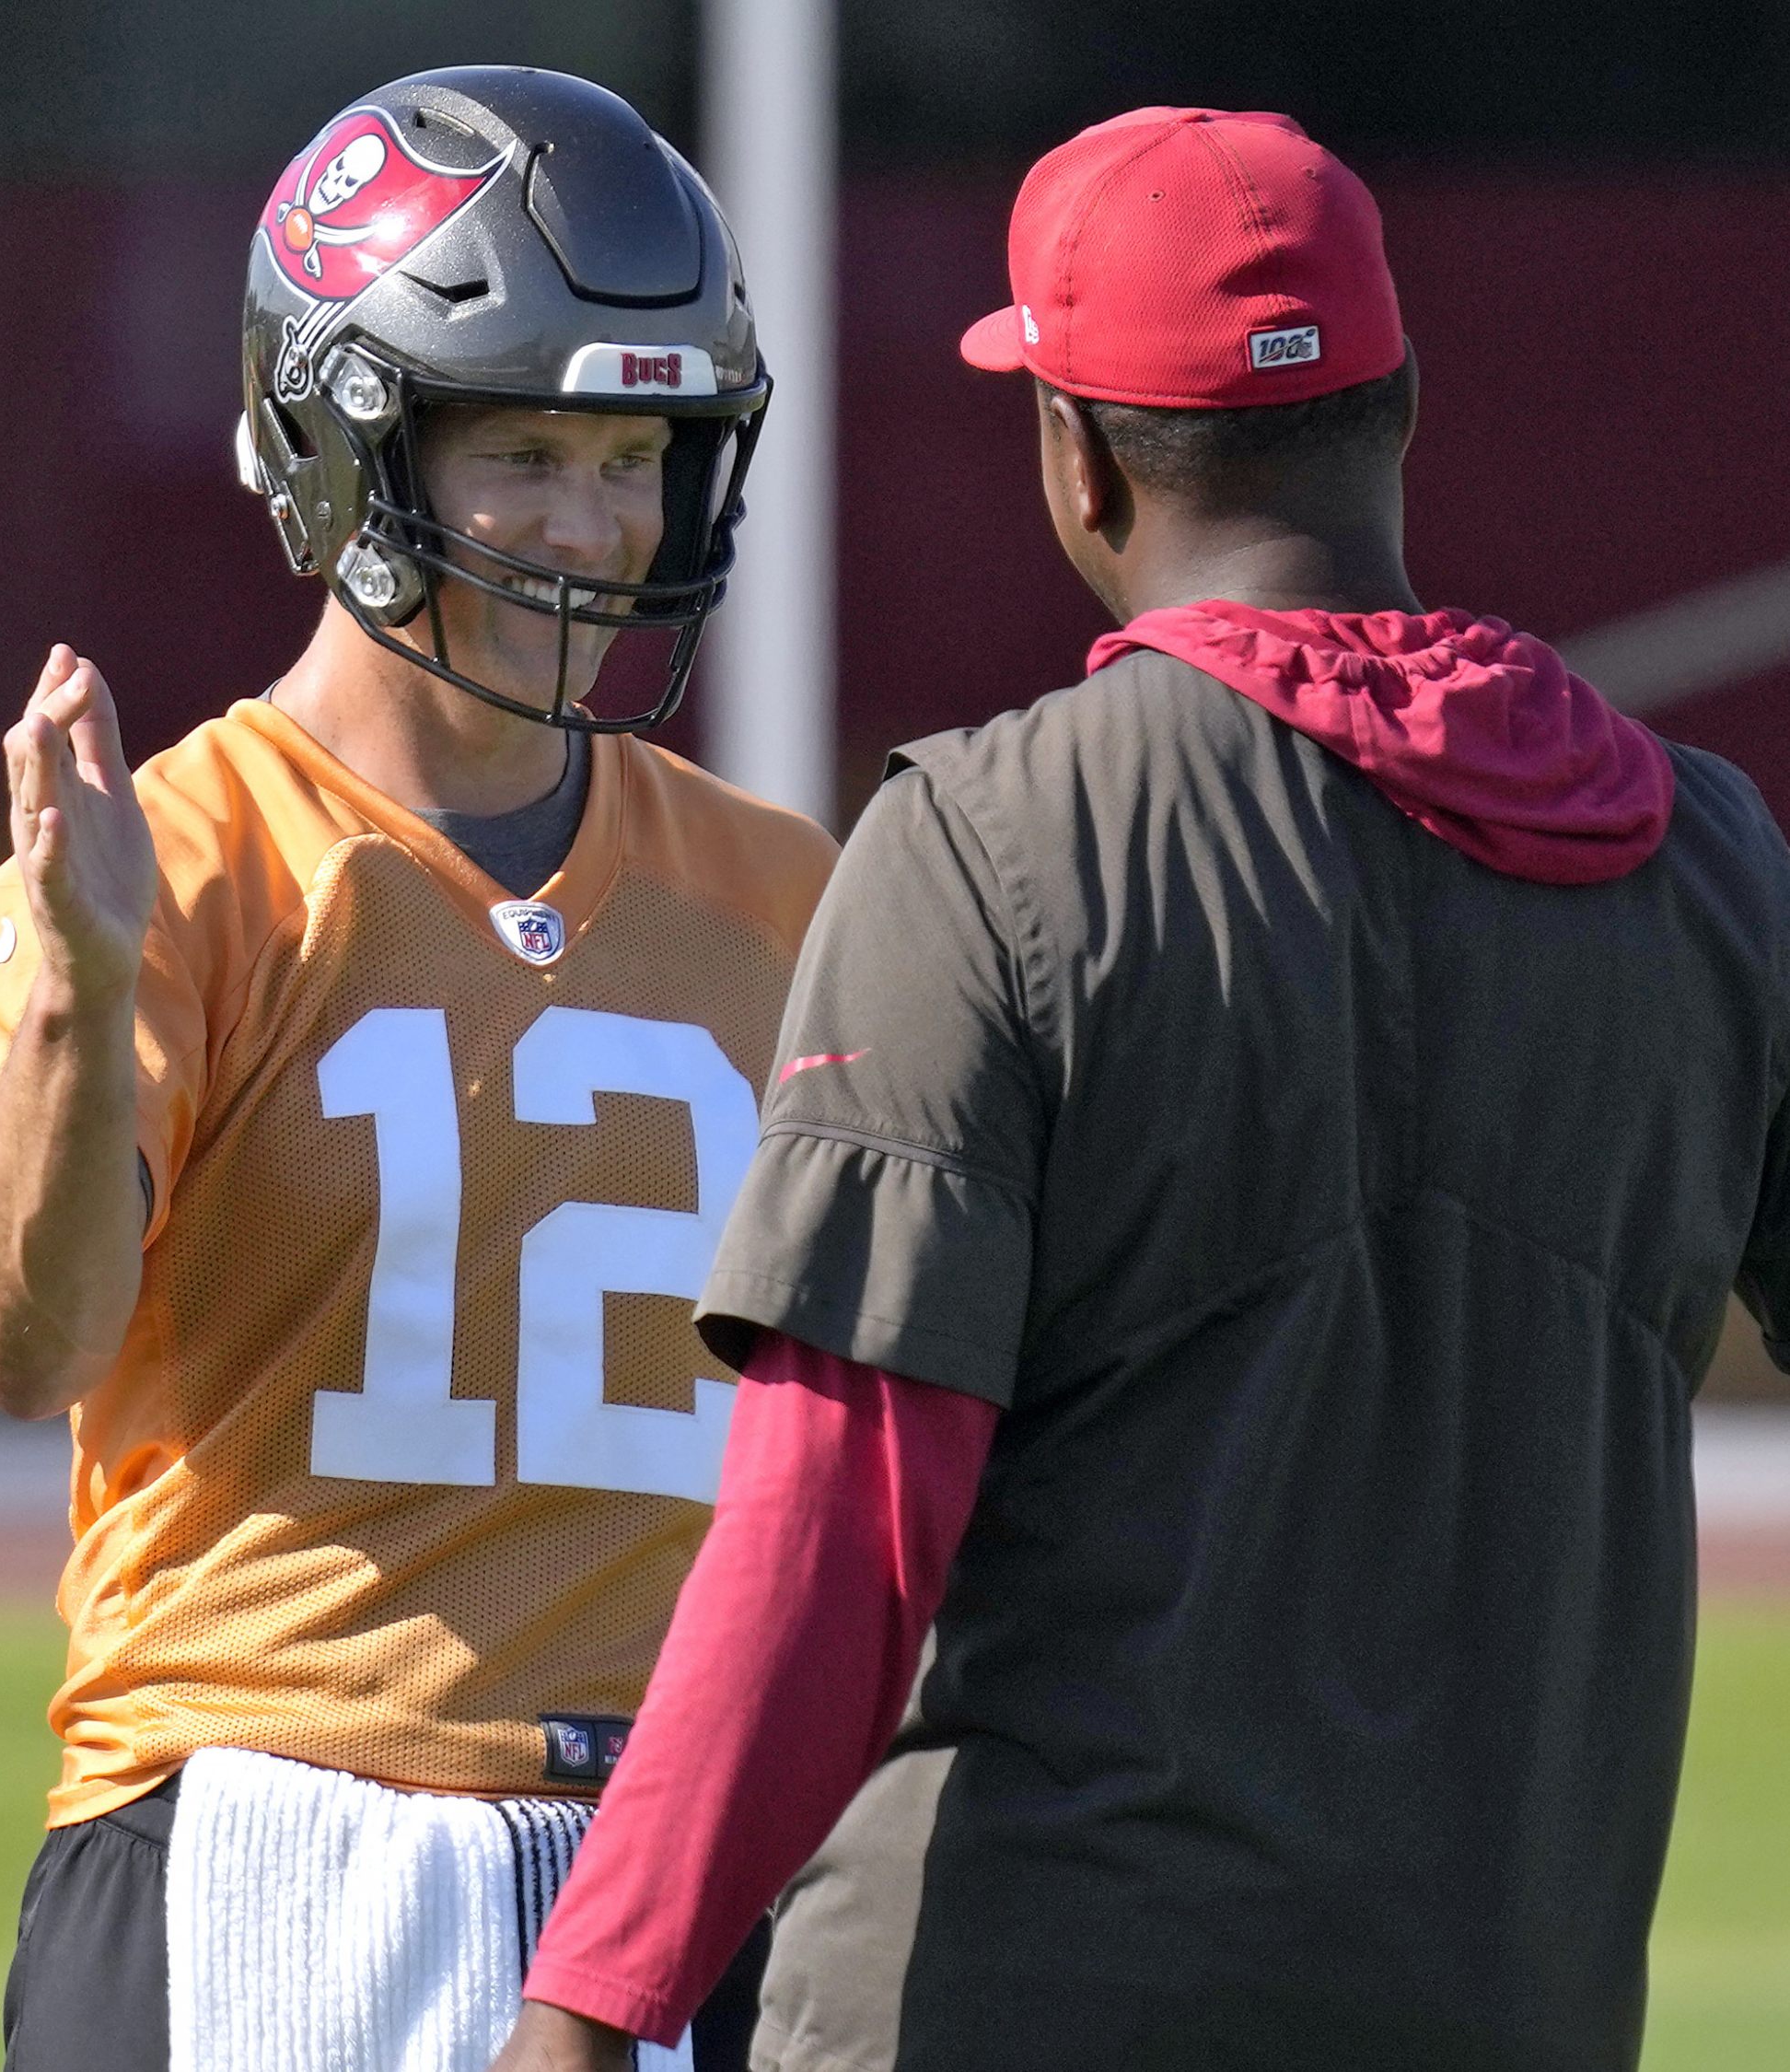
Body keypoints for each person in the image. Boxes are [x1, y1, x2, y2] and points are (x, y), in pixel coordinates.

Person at [493, 106, 1790, 2072]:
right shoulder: (1709, 861)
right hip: (1509, 2009)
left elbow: (837, 1528)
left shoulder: (987, 844)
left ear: (1072, 452)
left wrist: (592, 2001)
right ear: (1404, 408)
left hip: (1010, 1998)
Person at [0, 65, 834, 2072]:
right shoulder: (179, 864)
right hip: (264, 1827)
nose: (591, 527)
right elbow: (27, 1353)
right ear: (347, 450)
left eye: (631, 456)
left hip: (675, 1871)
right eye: (522, 457)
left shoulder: (781, 893)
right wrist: (78, 986)